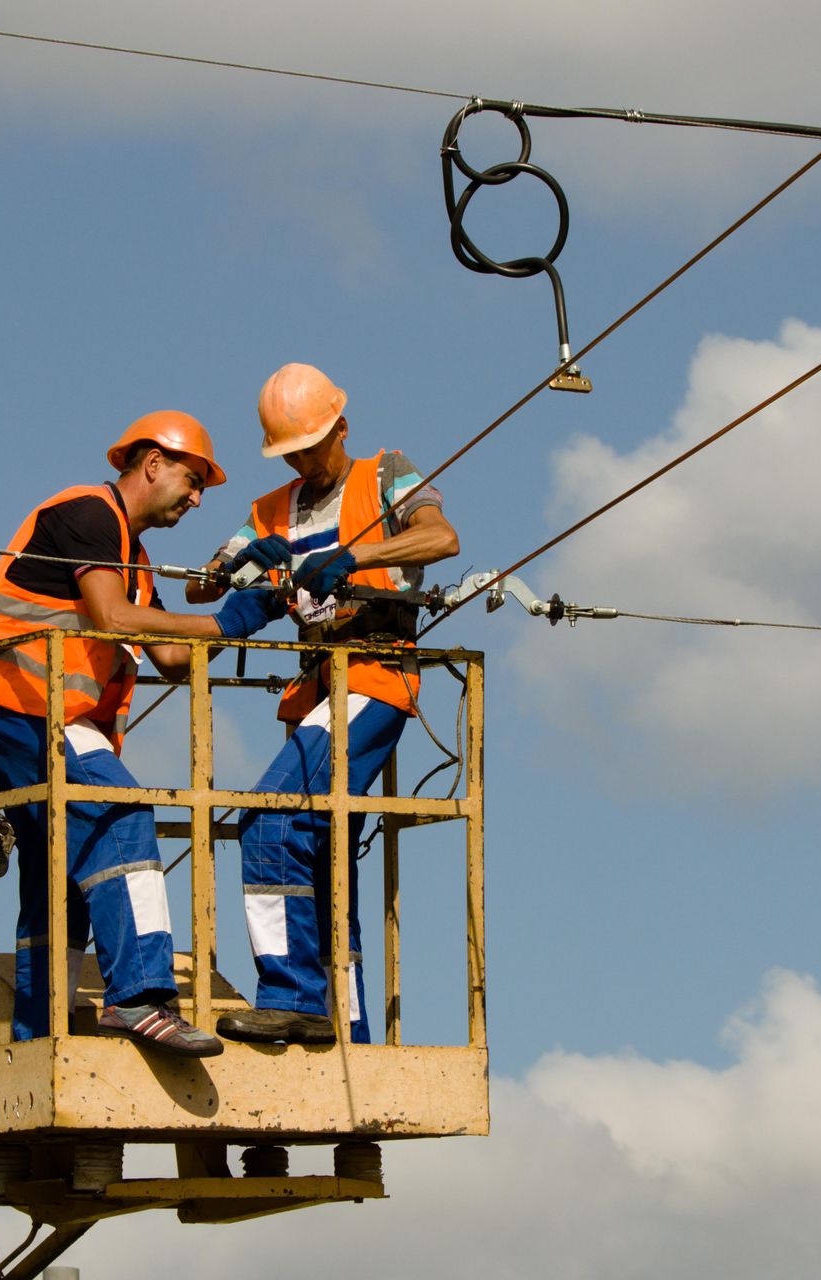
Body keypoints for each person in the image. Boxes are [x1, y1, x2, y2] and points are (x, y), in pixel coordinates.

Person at [0, 410, 242, 1057]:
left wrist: (247, 613)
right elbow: (111, 615)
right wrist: (219, 626)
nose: (196, 499)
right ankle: (139, 996)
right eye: (193, 481)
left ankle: (38, 1032)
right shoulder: (88, 513)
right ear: (152, 462)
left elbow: (170, 660)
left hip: (30, 712)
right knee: (117, 815)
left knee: (61, 870)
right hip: (28, 704)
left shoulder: (132, 558)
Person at [187, 363, 460, 1045]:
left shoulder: (386, 472)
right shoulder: (271, 509)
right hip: (314, 688)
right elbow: (202, 585)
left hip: (374, 674)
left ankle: (293, 995)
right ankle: (349, 1025)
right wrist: (241, 565)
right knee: (320, 856)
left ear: (341, 427)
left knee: (270, 822)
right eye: (290, 453)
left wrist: (356, 557)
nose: (303, 462)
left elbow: (440, 537)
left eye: (310, 447)